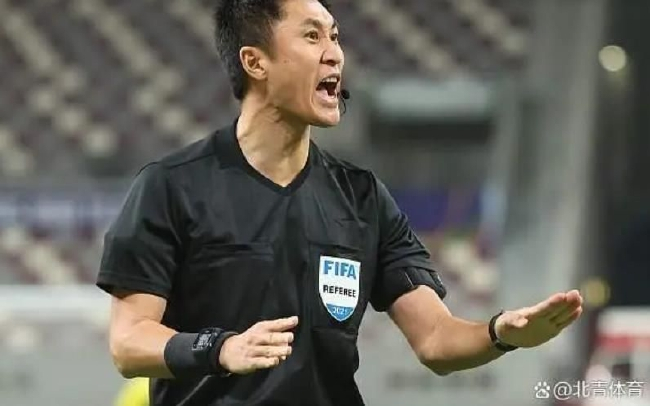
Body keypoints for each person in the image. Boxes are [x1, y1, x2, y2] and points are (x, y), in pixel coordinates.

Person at [96, 0, 584, 405]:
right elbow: (128, 341)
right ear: (255, 62)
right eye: (312, 37)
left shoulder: (362, 198)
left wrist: (500, 333)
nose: (334, 54)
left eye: (335, 37)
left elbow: (436, 339)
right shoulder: (172, 186)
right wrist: (220, 348)